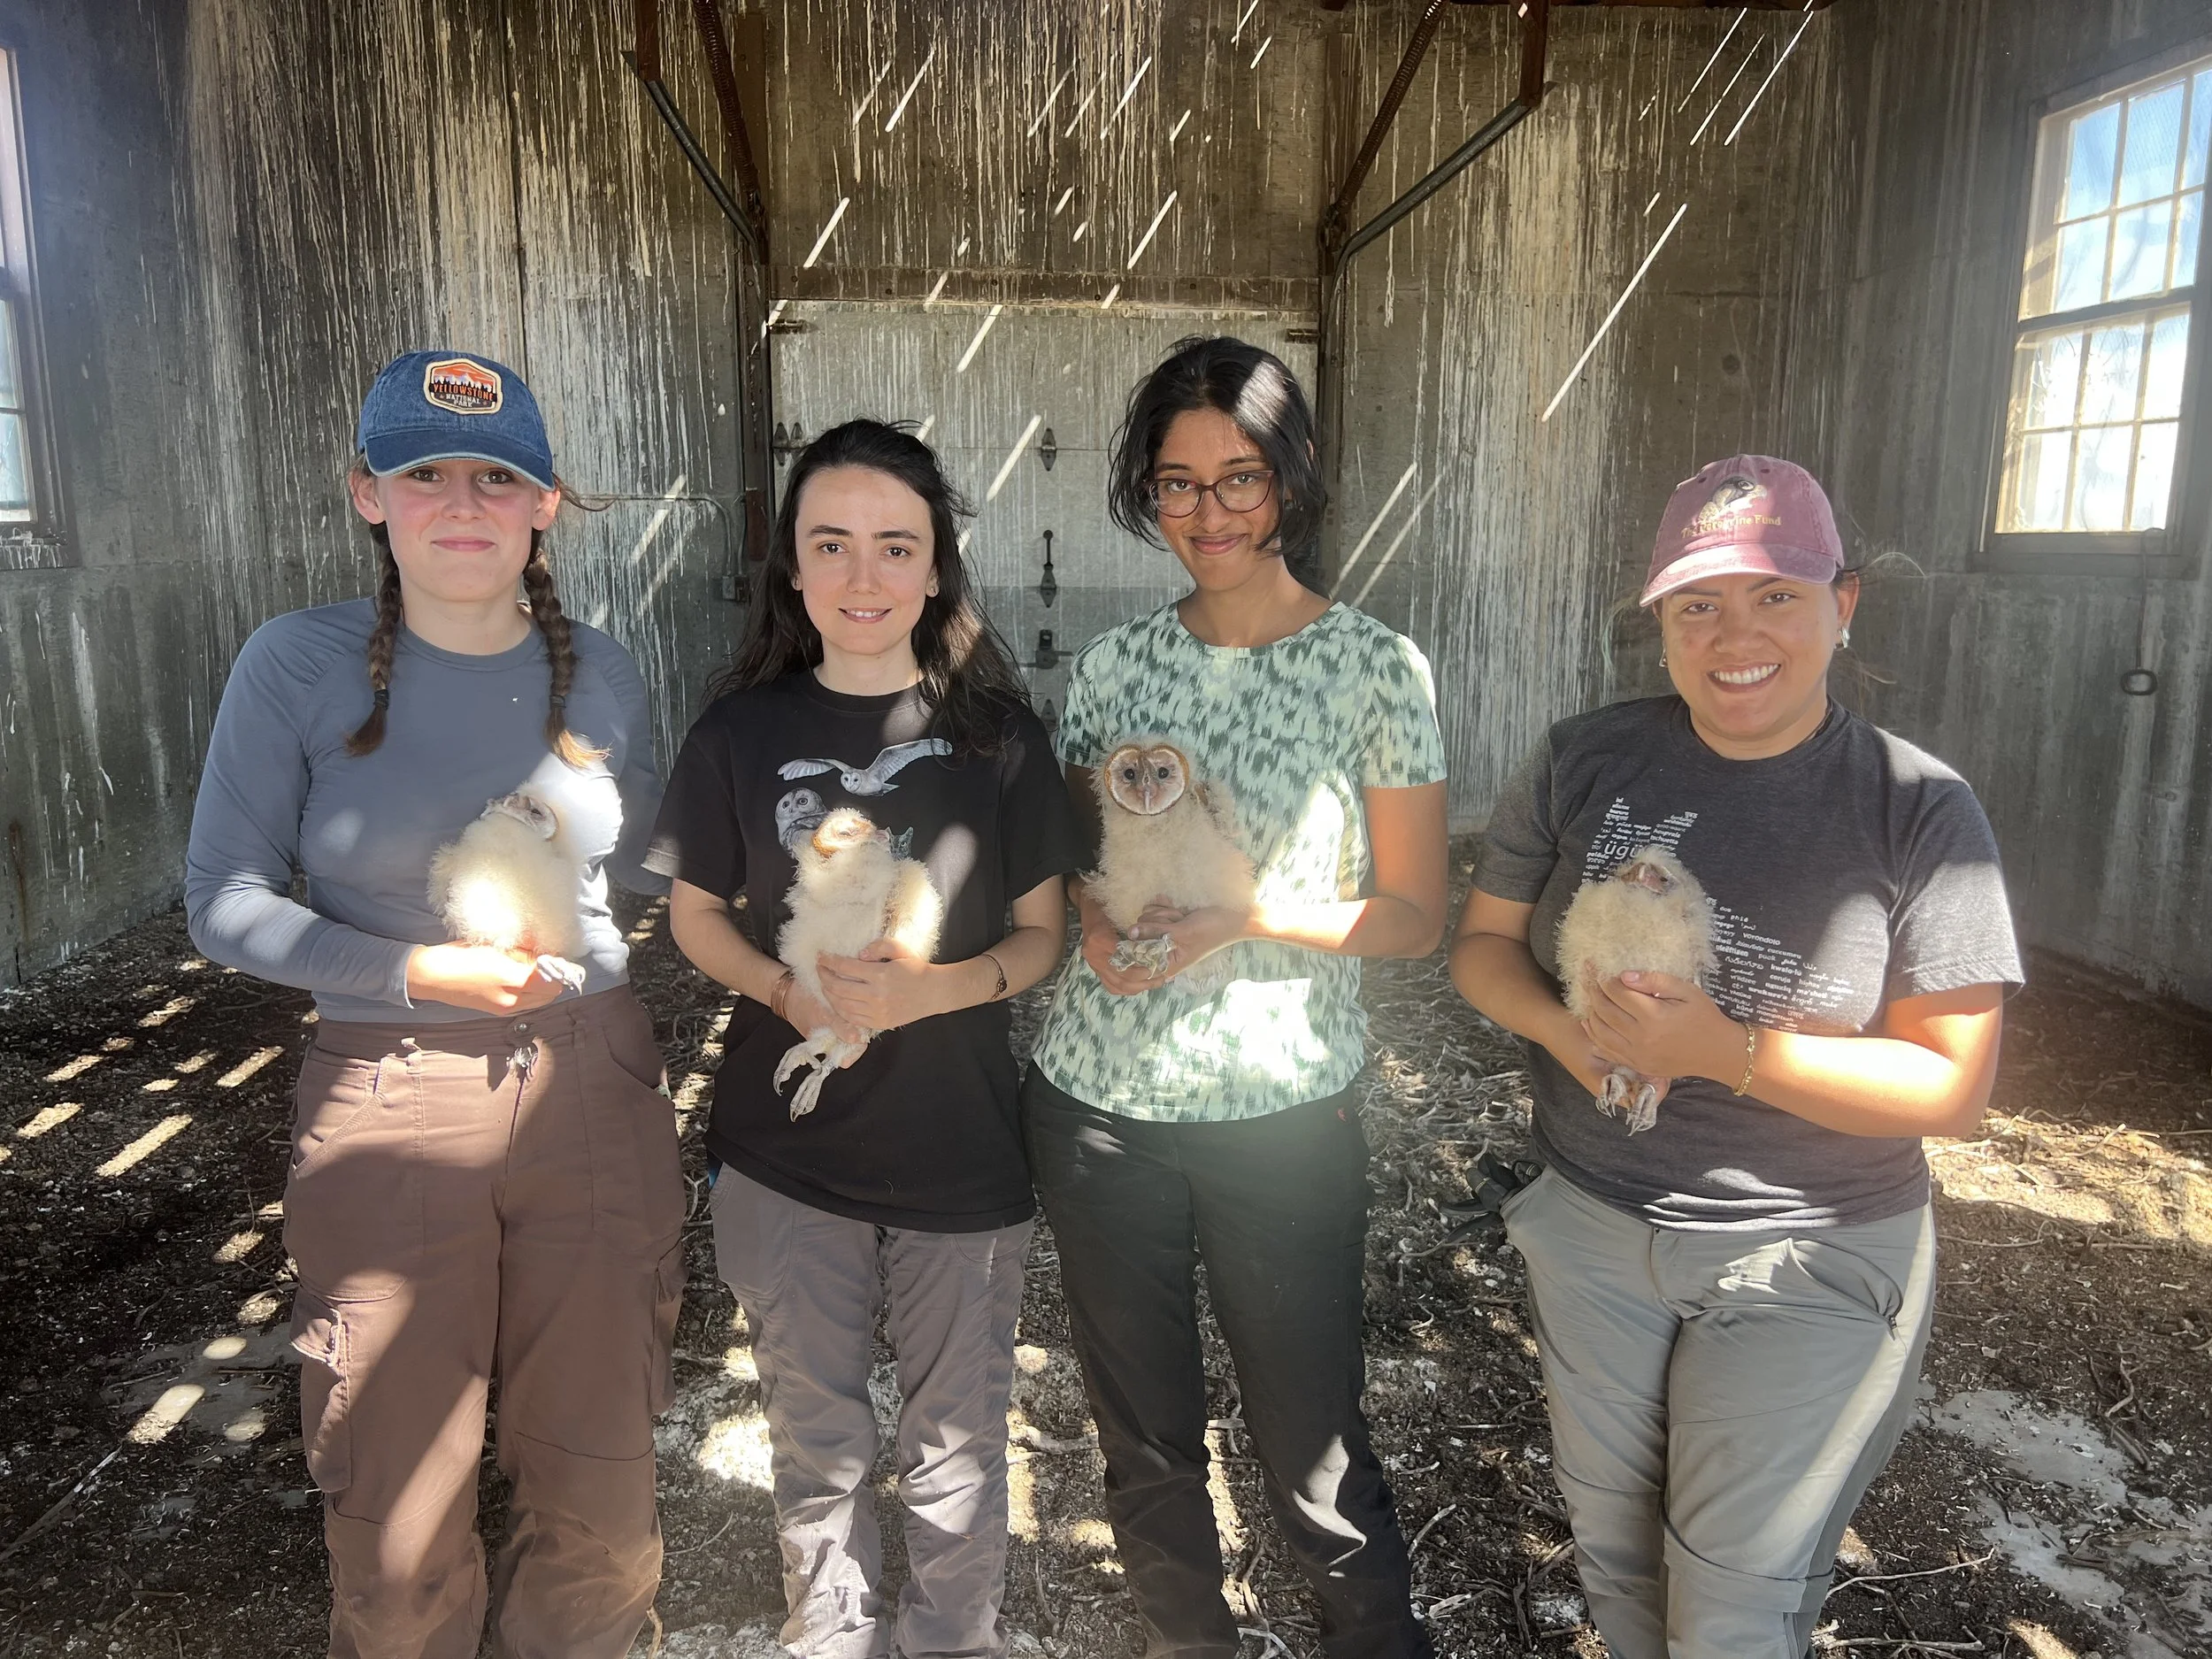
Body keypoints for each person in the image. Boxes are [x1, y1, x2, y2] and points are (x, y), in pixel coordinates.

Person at [1451, 455, 2024, 1659]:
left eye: (1776, 595)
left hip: (1808, 1250)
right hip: (1597, 1224)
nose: (1734, 635)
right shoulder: (1584, 758)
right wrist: (1572, 1029)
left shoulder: (1916, 807)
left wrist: (1717, 1048)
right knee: (1617, 1563)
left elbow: (1952, 1086)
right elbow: (1483, 951)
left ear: (1844, 603)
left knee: (1729, 1607)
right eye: (1697, 604)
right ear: (1660, 618)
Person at [184, 350, 680, 1658]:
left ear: (544, 506)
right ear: (367, 494)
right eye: (423, 475)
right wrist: (410, 971)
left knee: (603, 1497)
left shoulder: (611, 674)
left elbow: (641, 875)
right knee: (396, 1524)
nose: (462, 502)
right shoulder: (295, 664)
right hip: (390, 1085)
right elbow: (222, 898)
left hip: (590, 1090)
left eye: (497, 476)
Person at [1021, 336, 1450, 1658]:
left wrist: (1245, 914)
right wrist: (1098, 927)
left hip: (1283, 1115)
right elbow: (1087, 860)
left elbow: (1415, 914)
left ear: (1295, 479)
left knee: (1314, 1454)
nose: (1210, 513)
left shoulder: (1380, 669)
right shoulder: (1111, 671)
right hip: (1100, 1111)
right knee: (1144, 1439)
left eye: (1241, 478)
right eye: (1179, 483)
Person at [647, 419, 1084, 1659]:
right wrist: (793, 1001)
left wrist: (925, 992)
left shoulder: (999, 734)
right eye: (830, 544)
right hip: (787, 1149)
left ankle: (952, 1638)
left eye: (897, 546)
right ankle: (827, 1634)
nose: (863, 576)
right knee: (818, 1436)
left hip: (960, 1150)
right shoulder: (737, 730)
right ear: (790, 563)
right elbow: (693, 914)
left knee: (955, 1442)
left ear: (938, 564)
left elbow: (1044, 934)